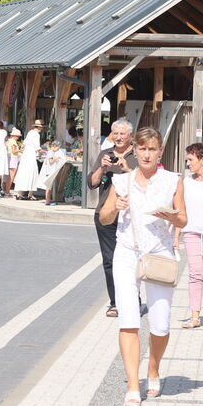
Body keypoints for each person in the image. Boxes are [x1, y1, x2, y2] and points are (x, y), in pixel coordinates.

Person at [98, 127, 186, 406]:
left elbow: (184, 220)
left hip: (160, 252)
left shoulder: (173, 180)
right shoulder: (121, 182)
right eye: (142, 149)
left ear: (160, 151)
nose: (147, 154)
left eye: (152, 149)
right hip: (127, 252)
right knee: (129, 320)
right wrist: (116, 207)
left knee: (160, 323)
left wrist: (171, 216)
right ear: (134, 151)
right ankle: (133, 384)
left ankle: (154, 368)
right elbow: (104, 218)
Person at [88, 118, 138, 318]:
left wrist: (127, 168)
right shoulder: (105, 154)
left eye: (122, 134)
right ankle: (115, 302)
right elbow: (92, 183)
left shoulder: (138, 154)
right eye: (115, 133)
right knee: (110, 260)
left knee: (132, 259)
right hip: (106, 212)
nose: (118, 137)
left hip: (131, 213)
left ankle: (134, 299)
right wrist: (101, 167)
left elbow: (146, 181)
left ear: (130, 136)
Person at [175, 143, 203, 330]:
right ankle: (195, 316)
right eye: (187, 159)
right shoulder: (186, 181)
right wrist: (176, 235)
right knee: (195, 273)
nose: (188, 163)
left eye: (191, 160)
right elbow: (180, 210)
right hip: (192, 231)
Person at [13, 120, 43, 200]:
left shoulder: (30, 132)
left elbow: (24, 143)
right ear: (39, 127)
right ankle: (30, 194)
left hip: (25, 155)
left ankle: (20, 193)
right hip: (31, 155)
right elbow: (37, 147)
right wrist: (47, 151)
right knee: (32, 173)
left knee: (23, 172)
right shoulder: (36, 134)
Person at [38, 140, 68, 205]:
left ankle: (48, 200)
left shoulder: (51, 152)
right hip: (48, 171)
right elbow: (51, 161)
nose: (58, 149)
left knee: (49, 186)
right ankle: (47, 201)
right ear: (54, 146)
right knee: (48, 187)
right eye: (57, 147)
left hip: (49, 170)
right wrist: (56, 158)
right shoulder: (51, 152)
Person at [6, 127, 22, 195]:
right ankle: (7, 191)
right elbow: (14, 151)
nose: (17, 137)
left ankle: (6, 190)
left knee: (10, 176)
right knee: (11, 176)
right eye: (17, 136)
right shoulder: (13, 142)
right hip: (13, 158)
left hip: (11, 158)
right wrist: (21, 150)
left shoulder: (9, 141)